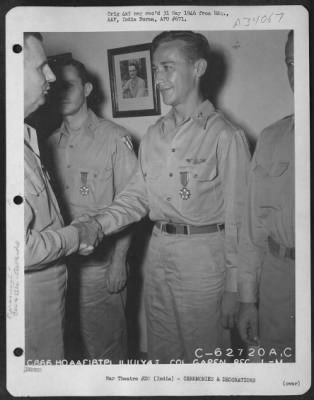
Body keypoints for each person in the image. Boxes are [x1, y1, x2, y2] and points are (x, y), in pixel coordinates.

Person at [80, 31, 250, 363]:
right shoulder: (155, 135)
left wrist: (236, 288)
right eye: (156, 69)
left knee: (206, 358)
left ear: (198, 68)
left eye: (167, 67)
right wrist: (96, 223)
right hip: (157, 254)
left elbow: (240, 219)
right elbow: (136, 197)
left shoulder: (225, 135)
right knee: (163, 353)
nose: (158, 78)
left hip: (204, 260)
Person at [47, 59, 137, 362]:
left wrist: (119, 261)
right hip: (59, 264)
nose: (62, 93)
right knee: (67, 349)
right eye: (57, 86)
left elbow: (133, 202)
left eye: (70, 85)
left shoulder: (114, 138)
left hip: (100, 266)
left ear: (86, 89)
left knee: (106, 348)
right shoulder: (47, 144)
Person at [24, 33, 103, 363]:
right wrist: (78, 234)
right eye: (42, 67)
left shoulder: (27, 136)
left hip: (55, 286)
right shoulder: (40, 138)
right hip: (29, 302)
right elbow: (21, 249)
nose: (52, 77)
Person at [237, 31, 295, 362]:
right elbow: (253, 230)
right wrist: (248, 299)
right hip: (279, 280)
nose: (296, 72)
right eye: (290, 62)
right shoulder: (272, 138)